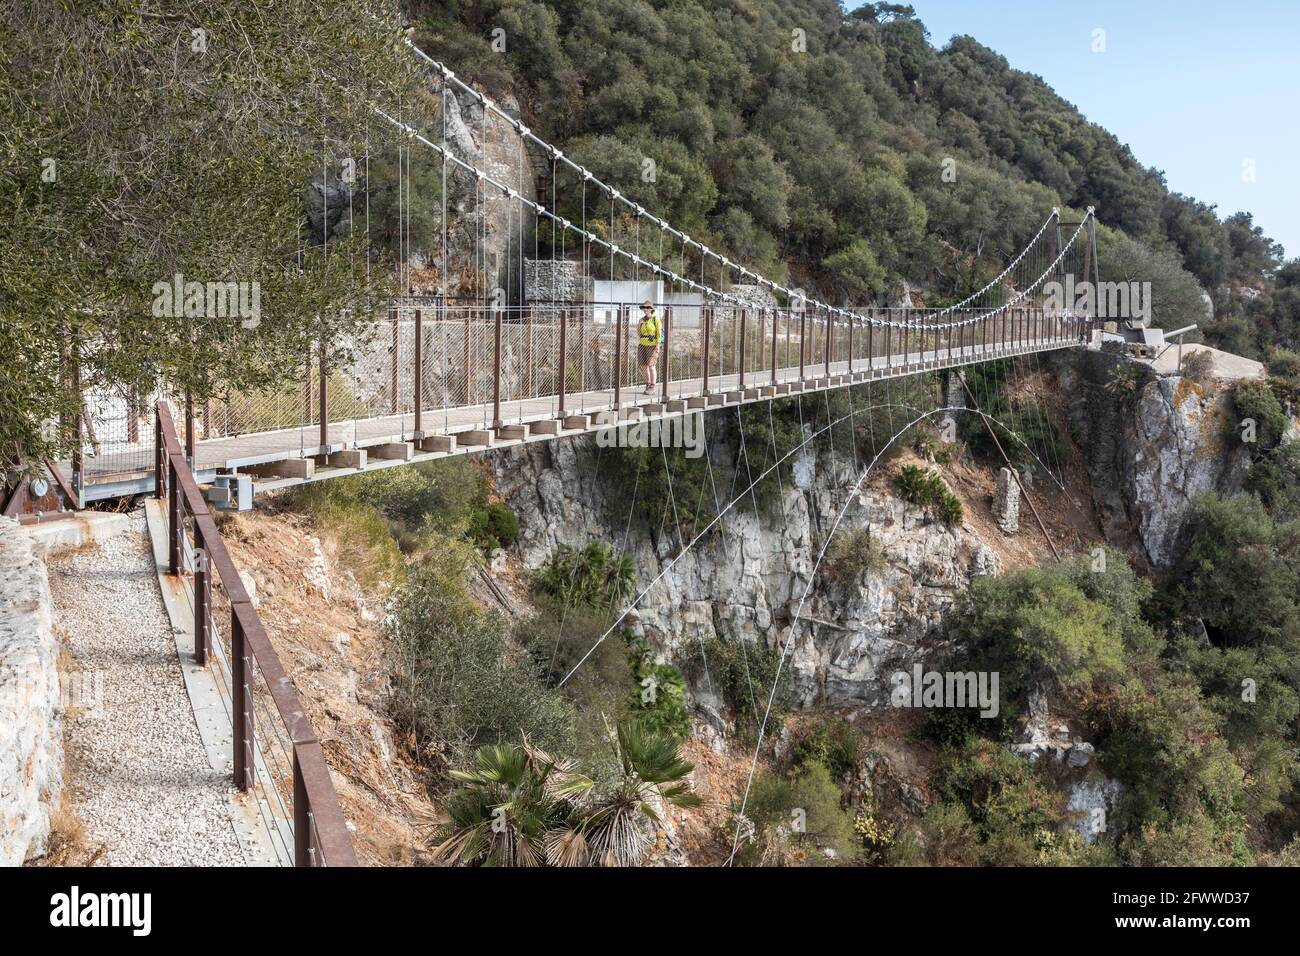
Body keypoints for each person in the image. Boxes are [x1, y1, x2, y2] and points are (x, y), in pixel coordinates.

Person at [636, 300, 663, 394]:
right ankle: (647, 384)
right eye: (644, 308)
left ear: (651, 309)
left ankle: (652, 386)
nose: (646, 309)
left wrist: (658, 345)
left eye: (648, 308)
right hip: (643, 344)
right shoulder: (641, 320)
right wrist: (639, 326)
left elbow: (659, 333)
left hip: (652, 345)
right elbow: (639, 333)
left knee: (651, 366)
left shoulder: (656, 319)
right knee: (643, 366)